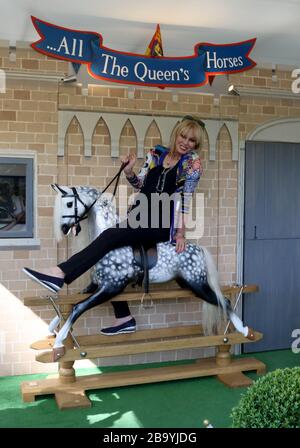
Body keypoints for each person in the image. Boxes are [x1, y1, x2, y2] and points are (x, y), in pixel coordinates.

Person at [23, 116, 204, 334]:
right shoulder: (156, 153)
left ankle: (61, 273)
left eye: (191, 140)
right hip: (138, 216)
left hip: (159, 224)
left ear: (196, 145)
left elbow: (185, 200)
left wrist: (181, 233)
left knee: (109, 236)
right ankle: (124, 317)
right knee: (111, 254)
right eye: (183, 136)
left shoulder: (192, 163)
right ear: (176, 133)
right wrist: (128, 171)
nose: (185, 142)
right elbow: (140, 184)